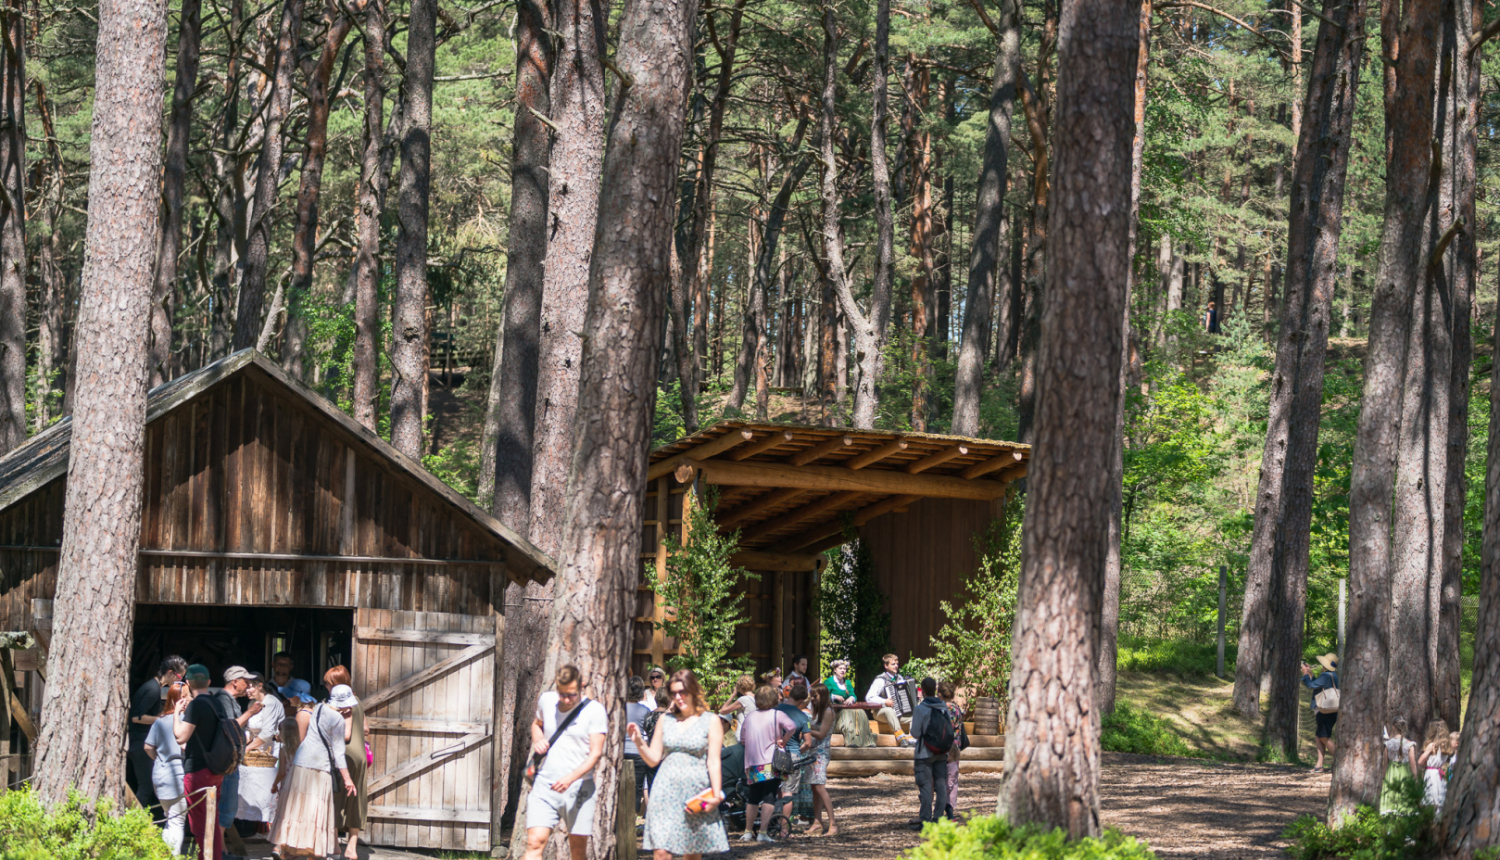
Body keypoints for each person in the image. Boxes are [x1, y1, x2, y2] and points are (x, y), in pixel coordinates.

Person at [628, 669, 729, 859]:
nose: (678, 697)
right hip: (664, 791)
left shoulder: (710, 720)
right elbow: (653, 758)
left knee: (691, 852)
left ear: (693, 690)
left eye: (682, 692)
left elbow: (714, 761)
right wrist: (639, 742)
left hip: (694, 791)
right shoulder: (665, 720)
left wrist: (716, 795)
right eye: (674, 693)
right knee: (661, 851)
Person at [522, 664, 607, 860]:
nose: (567, 700)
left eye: (572, 695)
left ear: (581, 686)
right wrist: (538, 740)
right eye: (562, 694)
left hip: (579, 788)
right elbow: (537, 724)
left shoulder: (594, 711)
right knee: (534, 842)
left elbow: (595, 754)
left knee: (577, 851)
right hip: (545, 785)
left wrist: (570, 778)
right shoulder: (546, 700)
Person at [269, 685, 358, 858]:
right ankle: (312, 850)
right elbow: (339, 752)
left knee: (296, 808)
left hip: (301, 762)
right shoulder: (338, 719)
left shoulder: (318, 708)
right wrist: (347, 779)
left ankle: (285, 847)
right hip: (319, 766)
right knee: (314, 811)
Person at [175, 664, 228, 860]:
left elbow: (181, 737)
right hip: (216, 769)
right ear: (209, 682)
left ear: (188, 683)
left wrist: (176, 713)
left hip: (197, 770)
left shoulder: (196, 705)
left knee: (199, 823)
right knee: (212, 820)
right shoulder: (217, 703)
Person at [129, 656, 187, 814]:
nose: (180, 681)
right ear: (171, 673)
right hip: (139, 742)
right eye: (180, 677)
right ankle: (134, 820)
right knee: (145, 787)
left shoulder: (154, 687)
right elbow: (136, 718)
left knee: (147, 787)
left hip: (140, 741)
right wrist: (164, 718)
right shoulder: (153, 690)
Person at [738, 686, 795, 843]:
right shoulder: (777, 714)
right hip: (771, 762)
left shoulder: (750, 717)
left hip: (752, 763)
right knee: (769, 796)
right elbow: (792, 726)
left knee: (753, 797)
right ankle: (763, 832)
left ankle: (747, 832)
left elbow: (742, 739)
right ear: (774, 699)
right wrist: (783, 740)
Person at [323, 666, 368, 860]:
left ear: (336, 684)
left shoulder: (337, 704)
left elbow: (345, 735)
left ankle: (334, 845)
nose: (326, 687)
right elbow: (366, 729)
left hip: (344, 755)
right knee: (356, 801)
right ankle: (351, 848)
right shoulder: (357, 701)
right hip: (360, 756)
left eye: (328, 683)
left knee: (335, 799)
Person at [215, 666, 257, 859]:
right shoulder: (223, 700)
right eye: (245, 681)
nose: (248, 685)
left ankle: (221, 849)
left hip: (230, 761)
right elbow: (228, 727)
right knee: (226, 806)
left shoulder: (230, 700)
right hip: (226, 762)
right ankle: (219, 851)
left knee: (227, 806)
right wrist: (250, 713)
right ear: (235, 681)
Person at [145, 680, 190, 854]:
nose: (190, 699)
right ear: (180, 700)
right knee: (177, 822)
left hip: (160, 775)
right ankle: (174, 856)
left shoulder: (160, 721)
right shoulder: (188, 722)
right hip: (179, 776)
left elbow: (148, 747)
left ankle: (163, 855)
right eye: (187, 696)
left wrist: (160, 759)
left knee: (170, 819)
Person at [237, 679, 286, 830]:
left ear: (260, 686)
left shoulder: (271, 703)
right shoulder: (252, 704)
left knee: (267, 790)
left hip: (271, 752)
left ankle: (269, 827)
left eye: (250, 687)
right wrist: (244, 742)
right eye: (246, 687)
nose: (247, 691)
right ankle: (251, 823)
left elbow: (267, 734)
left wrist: (246, 750)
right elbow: (250, 730)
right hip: (255, 753)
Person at [908, 677, 948, 830]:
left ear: (922, 691)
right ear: (935, 690)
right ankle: (938, 819)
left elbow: (915, 733)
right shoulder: (943, 707)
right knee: (941, 785)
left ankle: (925, 820)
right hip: (942, 751)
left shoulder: (920, 709)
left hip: (924, 752)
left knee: (925, 786)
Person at [802, 683, 838, 836]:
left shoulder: (828, 712)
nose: (812, 699)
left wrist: (806, 730)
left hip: (821, 753)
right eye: (811, 696)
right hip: (813, 752)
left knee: (820, 787)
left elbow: (822, 734)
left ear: (822, 696)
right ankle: (817, 823)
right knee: (814, 788)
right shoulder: (817, 712)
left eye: (815, 696)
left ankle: (833, 824)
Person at [775, 682, 813, 827]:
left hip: (774, 754)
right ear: (802, 700)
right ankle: (784, 828)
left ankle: (771, 824)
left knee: (775, 790)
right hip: (793, 755)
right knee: (788, 793)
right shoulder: (802, 717)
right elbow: (808, 743)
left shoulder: (776, 709)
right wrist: (798, 752)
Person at [865, 654, 916, 747]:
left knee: (916, 714)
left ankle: (912, 738)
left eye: (897, 664)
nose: (896, 666)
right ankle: (901, 737)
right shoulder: (880, 680)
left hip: (898, 713)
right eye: (893, 664)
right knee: (889, 710)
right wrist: (884, 701)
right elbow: (869, 697)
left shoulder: (900, 678)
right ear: (886, 666)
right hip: (880, 712)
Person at [1300, 653, 1339, 772]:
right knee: (1319, 736)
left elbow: (1311, 686)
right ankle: (1319, 764)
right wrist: (1311, 675)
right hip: (1330, 709)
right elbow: (1317, 685)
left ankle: (1340, 760)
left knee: (1323, 736)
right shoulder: (1332, 675)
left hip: (1324, 710)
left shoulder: (1326, 675)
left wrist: (1305, 674)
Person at [825, 660, 875, 748]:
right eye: (840, 668)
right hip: (834, 713)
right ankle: (851, 741)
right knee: (847, 715)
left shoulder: (847, 682)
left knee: (861, 712)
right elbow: (822, 696)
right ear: (835, 670)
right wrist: (834, 697)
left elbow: (853, 695)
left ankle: (867, 741)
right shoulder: (829, 682)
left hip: (846, 710)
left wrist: (851, 698)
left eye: (844, 669)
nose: (843, 670)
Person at [1378, 717, 1420, 816]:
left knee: (1391, 795)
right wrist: (1415, 778)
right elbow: (1413, 764)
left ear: (1393, 727)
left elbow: (1385, 764)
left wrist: (1383, 778)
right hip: (1405, 774)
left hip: (1391, 774)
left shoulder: (1388, 744)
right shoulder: (1409, 744)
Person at [625, 676, 651, 812]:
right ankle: (632, 818)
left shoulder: (619, 709)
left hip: (620, 752)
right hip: (638, 753)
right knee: (637, 789)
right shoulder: (645, 711)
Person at [938, 681, 963, 819]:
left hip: (942, 747)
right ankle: (950, 808)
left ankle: (940, 807)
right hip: (955, 748)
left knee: (942, 778)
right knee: (953, 779)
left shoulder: (940, 709)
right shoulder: (957, 709)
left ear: (940, 694)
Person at [1419, 719, 1454, 808]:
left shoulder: (1432, 746)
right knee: (1439, 795)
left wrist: (1426, 754)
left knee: (1431, 797)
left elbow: (1420, 761)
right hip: (1439, 774)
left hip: (1431, 774)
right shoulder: (1445, 746)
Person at [717, 675, 757, 742]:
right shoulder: (757, 698)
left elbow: (722, 711)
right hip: (754, 734)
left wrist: (733, 695)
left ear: (739, 687)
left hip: (743, 736)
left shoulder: (743, 700)